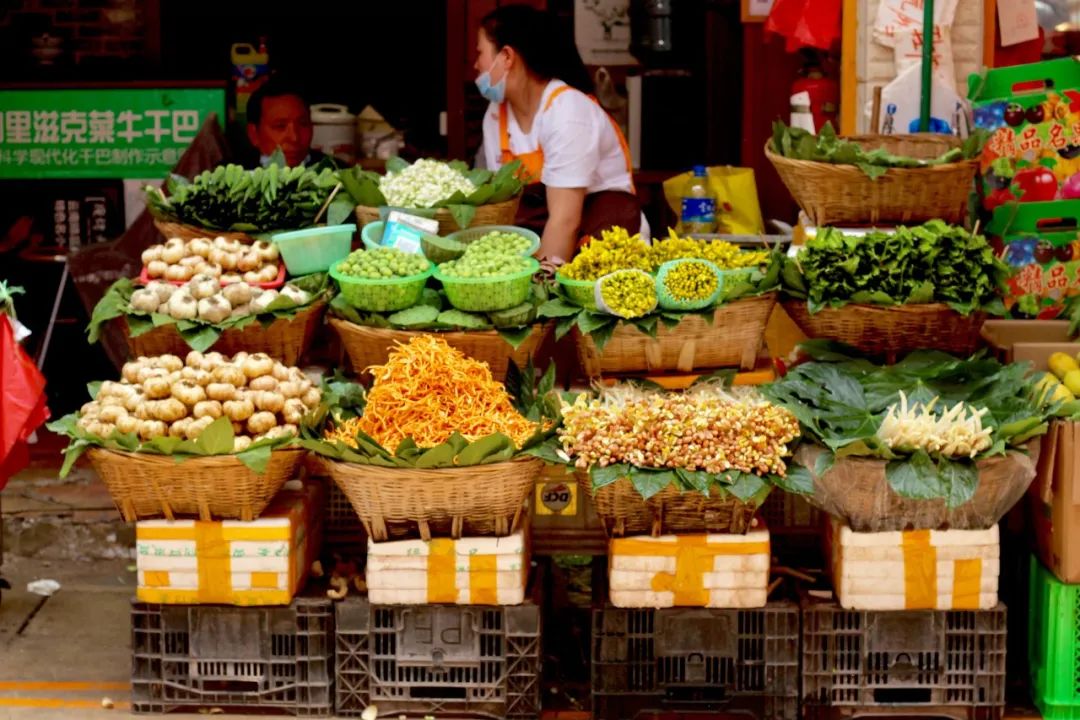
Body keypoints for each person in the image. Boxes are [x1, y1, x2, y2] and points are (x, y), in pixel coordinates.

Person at [475, 5, 644, 261]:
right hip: (546, 231)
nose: (476, 65)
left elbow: (565, 220)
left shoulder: (568, 111)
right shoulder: (495, 115)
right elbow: (507, 204)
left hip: (601, 235)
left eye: (480, 54)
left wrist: (542, 284)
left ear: (507, 56)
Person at [243, 77, 328, 168]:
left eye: (303, 124)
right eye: (280, 126)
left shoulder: (336, 173)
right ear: (254, 134)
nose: (294, 137)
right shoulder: (234, 177)